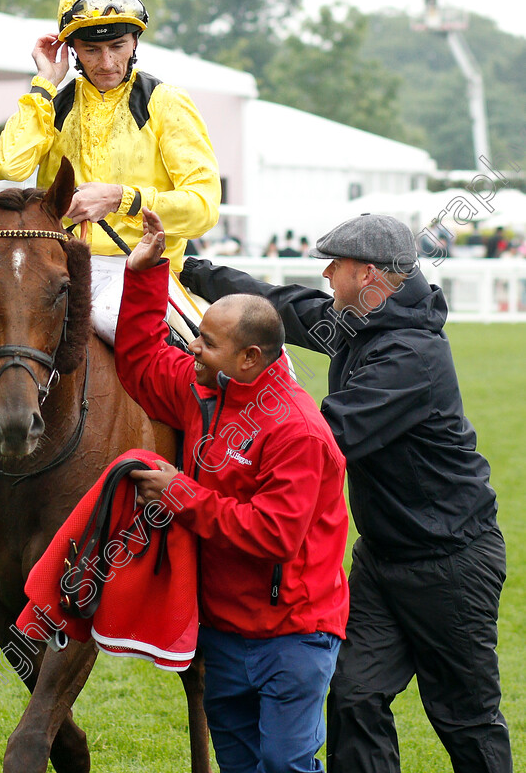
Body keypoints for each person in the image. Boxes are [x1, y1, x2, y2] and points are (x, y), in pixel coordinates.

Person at [180, 212, 512, 773]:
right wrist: (195, 272)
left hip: (451, 564)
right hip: (381, 561)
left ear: (369, 276)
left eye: (336, 265)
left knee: (464, 717)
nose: (327, 275)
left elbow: (321, 434)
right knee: (354, 697)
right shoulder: (356, 321)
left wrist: (226, 442)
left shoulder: (413, 357)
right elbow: (281, 305)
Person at [114, 208, 349, 773]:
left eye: (207, 342)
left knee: (286, 765)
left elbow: (273, 535)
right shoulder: (207, 388)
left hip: (294, 635)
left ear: (250, 358)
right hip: (223, 632)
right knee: (242, 766)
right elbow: (143, 363)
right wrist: (145, 275)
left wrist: (180, 494)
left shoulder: (297, 428)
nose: (193, 349)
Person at [0, 0, 221, 344]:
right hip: (59, 268)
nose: (107, 61)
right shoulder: (54, 103)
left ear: (134, 43)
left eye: (117, 46)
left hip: (141, 267)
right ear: (72, 51)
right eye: (91, 49)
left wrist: (120, 198)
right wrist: (45, 84)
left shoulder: (165, 102)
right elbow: (7, 165)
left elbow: (203, 208)